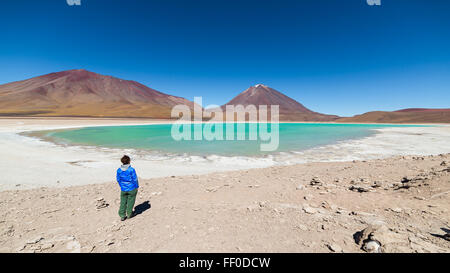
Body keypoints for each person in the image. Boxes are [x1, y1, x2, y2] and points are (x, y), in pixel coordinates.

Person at [116, 155, 139, 221]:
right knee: (131, 201)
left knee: (123, 202)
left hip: (123, 188)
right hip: (132, 188)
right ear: (129, 161)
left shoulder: (119, 170)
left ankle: (122, 215)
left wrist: (121, 186)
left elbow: (118, 179)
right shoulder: (131, 170)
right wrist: (137, 186)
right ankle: (129, 214)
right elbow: (135, 179)